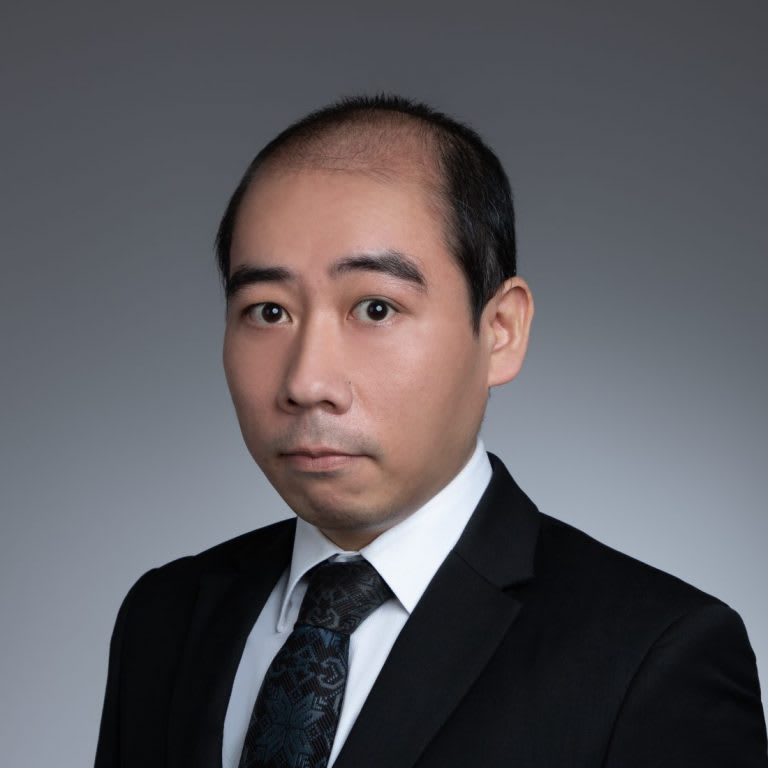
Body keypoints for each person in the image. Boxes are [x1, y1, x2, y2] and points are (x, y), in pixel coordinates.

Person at [94, 95, 768, 768]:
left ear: (500, 330)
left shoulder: (653, 656)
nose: (307, 381)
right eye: (268, 311)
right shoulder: (165, 616)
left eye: (375, 308)